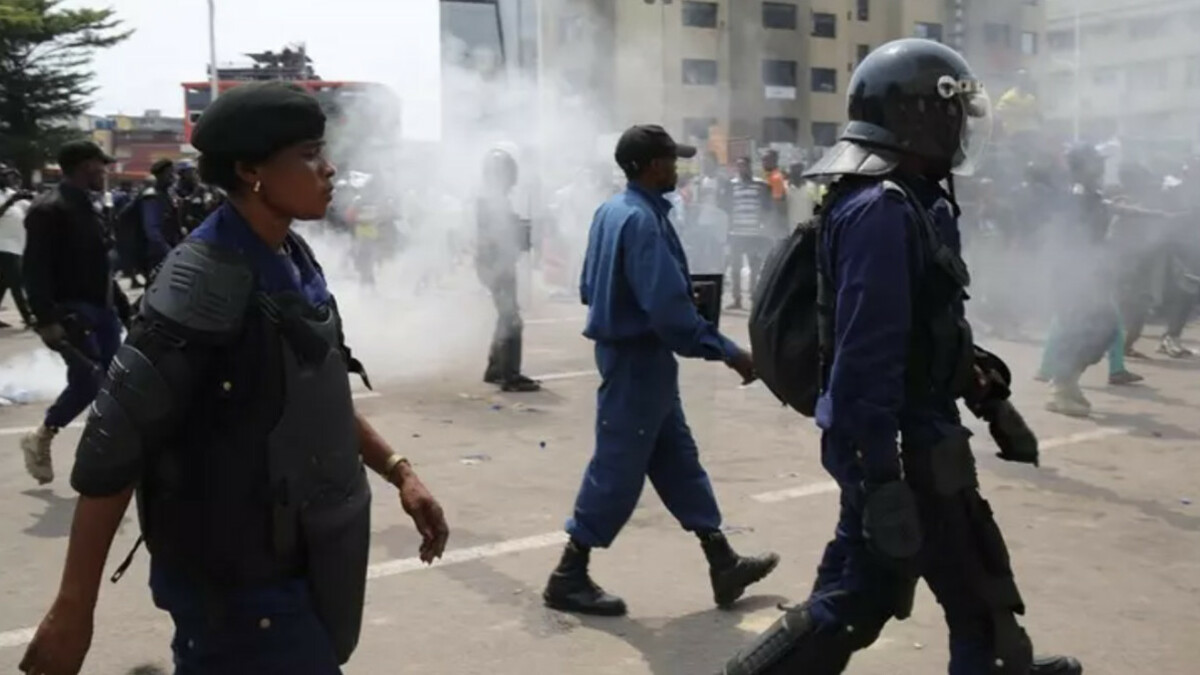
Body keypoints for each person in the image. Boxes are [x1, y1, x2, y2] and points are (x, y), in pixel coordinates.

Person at [18, 82, 450, 675]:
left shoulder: (289, 256)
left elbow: (306, 395)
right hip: (233, 585)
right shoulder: (203, 283)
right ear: (251, 170)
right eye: (306, 155)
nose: (328, 169)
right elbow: (115, 444)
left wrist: (401, 471)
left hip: (296, 563)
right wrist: (73, 608)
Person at [718, 40, 1082, 675]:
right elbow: (865, 355)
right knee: (859, 600)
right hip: (897, 443)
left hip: (921, 434)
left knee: (976, 583)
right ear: (917, 116)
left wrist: (988, 395)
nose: (962, 128)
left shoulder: (914, 198)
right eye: (953, 113)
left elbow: (927, 326)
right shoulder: (881, 211)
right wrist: (880, 478)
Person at [543, 124, 778, 617]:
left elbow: (591, 286)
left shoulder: (613, 211)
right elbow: (672, 320)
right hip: (637, 360)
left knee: (678, 460)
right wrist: (731, 353)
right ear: (652, 166)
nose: (679, 168)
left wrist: (654, 298)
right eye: (673, 160)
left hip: (634, 356)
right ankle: (569, 573)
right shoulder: (644, 222)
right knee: (617, 467)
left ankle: (722, 560)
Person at [19, 141, 131, 485]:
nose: (106, 172)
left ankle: (110, 453)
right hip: (71, 311)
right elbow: (33, 269)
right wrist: (46, 320)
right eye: (101, 166)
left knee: (114, 384)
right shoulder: (48, 209)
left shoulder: (92, 208)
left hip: (104, 309)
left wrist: (126, 311)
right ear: (85, 166)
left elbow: (102, 269)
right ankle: (41, 436)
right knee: (88, 380)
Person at [476, 148, 541, 392]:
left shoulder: (492, 198)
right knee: (511, 319)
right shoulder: (491, 200)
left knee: (506, 315)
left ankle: (495, 369)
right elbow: (493, 236)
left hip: (497, 263)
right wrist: (519, 232)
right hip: (497, 264)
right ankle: (509, 375)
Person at [726, 157, 771, 309]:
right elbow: (727, 207)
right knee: (735, 268)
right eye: (739, 166)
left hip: (754, 233)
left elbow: (767, 208)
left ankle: (754, 298)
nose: (741, 169)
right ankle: (737, 299)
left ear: (750, 167)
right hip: (736, 232)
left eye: (744, 166)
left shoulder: (760, 185)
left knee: (754, 267)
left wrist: (765, 227)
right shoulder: (732, 185)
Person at [0, 165, 34, 328]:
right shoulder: (8, 198)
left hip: (17, 246)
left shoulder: (10, 193)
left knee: (3, 283)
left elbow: (31, 207)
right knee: (18, 282)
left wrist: (34, 198)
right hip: (4, 246)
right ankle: (29, 317)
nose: (8, 178)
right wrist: (10, 202)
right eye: (5, 175)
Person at [139, 158, 186, 271]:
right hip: (159, 255)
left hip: (172, 249)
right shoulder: (151, 197)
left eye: (173, 173)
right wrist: (168, 252)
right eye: (169, 174)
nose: (172, 177)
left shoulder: (169, 194)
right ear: (159, 176)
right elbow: (152, 231)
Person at [175, 159, 218, 233]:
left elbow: (209, 205)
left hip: (202, 226)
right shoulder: (176, 189)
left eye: (194, 171)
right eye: (190, 172)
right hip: (183, 229)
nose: (194, 174)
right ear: (182, 174)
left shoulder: (202, 189)